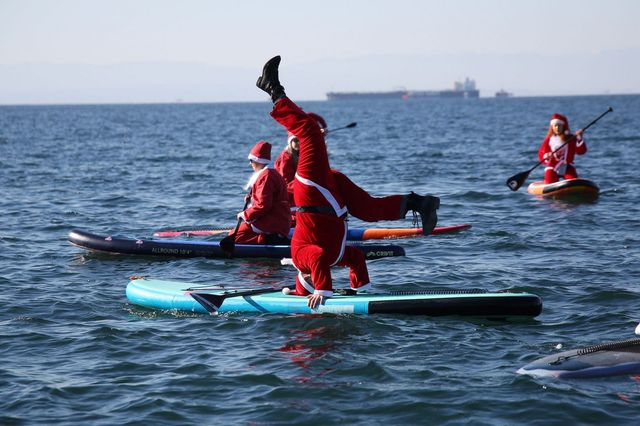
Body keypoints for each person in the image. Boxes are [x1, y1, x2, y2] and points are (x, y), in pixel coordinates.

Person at [256, 55, 440, 308]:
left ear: (304, 277)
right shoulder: (333, 256)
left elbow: (317, 257)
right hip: (326, 198)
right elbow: (351, 258)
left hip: (312, 193)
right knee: (370, 209)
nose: (313, 274)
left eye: (311, 278)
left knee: (309, 132)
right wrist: (359, 292)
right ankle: (418, 203)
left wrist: (323, 290)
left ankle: (273, 90)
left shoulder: (301, 259)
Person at [232, 140, 291, 245]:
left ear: (258, 161)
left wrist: (245, 214)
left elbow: (263, 205)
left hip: (272, 222)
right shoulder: (272, 173)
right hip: (280, 220)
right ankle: (269, 237)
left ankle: (269, 239)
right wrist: (252, 198)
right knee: (239, 232)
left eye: (251, 160)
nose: (250, 164)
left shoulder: (266, 176)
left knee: (235, 236)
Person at [538, 113, 587, 184]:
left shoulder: (571, 138)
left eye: (559, 125)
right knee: (549, 180)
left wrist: (579, 138)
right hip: (553, 166)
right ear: (552, 127)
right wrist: (546, 156)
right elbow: (541, 154)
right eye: (555, 126)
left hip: (567, 166)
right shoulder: (549, 139)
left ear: (563, 126)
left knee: (574, 181)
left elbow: (581, 151)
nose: (557, 128)